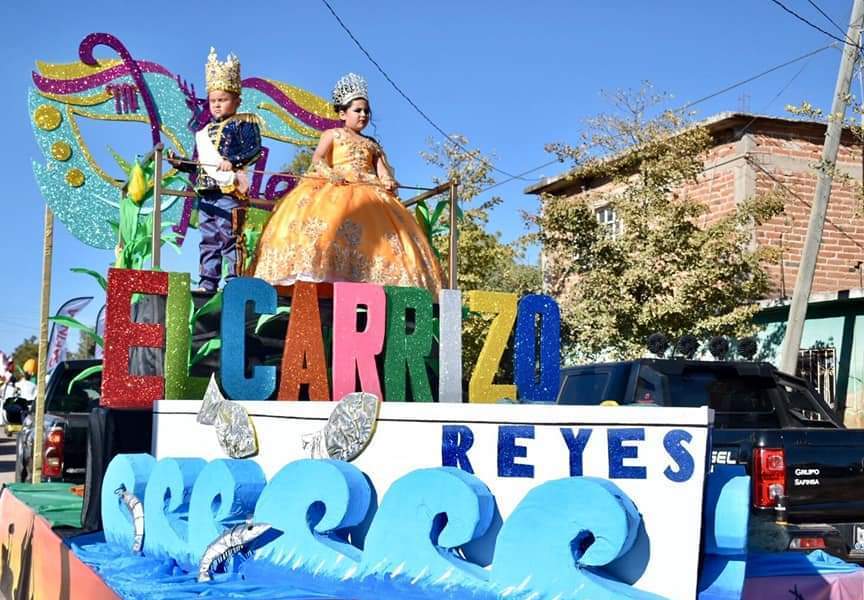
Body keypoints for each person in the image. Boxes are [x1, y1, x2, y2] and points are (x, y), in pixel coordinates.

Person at [250, 73, 444, 295]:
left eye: (366, 111)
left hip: (371, 194)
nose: (363, 115)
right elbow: (318, 159)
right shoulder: (332, 134)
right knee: (328, 230)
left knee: (386, 243)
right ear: (342, 113)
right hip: (337, 186)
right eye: (357, 110)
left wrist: (388, 180)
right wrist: (329, 173)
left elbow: (383, 172)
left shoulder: (372, 144)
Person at [168, 48, 262, 293]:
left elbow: (254, 149)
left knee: (231, 237)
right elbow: (200, 163)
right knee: (208, 240)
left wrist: (233, 159)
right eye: (213, 100)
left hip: (229, 190)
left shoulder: (245, 122)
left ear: (237, 101)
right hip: (207, 193)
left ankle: (234, 282)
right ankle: (207, 283)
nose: (217, 105)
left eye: (223, 99)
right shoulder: (204, 131)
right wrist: (181, 164)